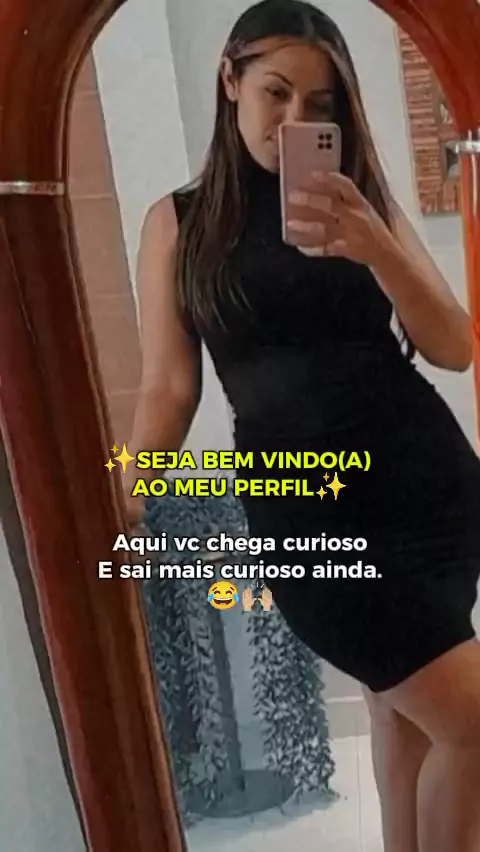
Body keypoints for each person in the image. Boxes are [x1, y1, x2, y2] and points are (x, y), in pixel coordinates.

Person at [124, 2, 480, 850]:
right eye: (275, 92)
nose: (293, 120)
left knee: (407, 719)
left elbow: (454, 345)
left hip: (427, 490)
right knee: (471, 724)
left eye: (319, 105)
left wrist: (376, 245)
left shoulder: (358, 201)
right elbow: (169, 388)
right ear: (230, 79)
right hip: (308, 512)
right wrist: (126, 492)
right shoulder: (178, 224)